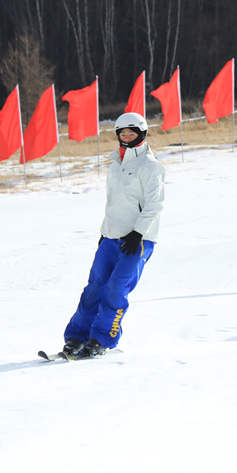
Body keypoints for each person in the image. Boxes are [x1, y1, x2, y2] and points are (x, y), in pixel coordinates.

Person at [61, 112, 166, 357]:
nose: (127, 137)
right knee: (94, 288)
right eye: (122, 133)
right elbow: (113, 204)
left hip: (138, 240)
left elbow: (155, 204)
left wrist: (137, 233)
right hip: (111, 237)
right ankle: (78, 336)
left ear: (142, 133)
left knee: (117, 288)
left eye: (132, 133)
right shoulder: (115, 166)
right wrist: (104, 232)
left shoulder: (151, 166)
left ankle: (102, 338)